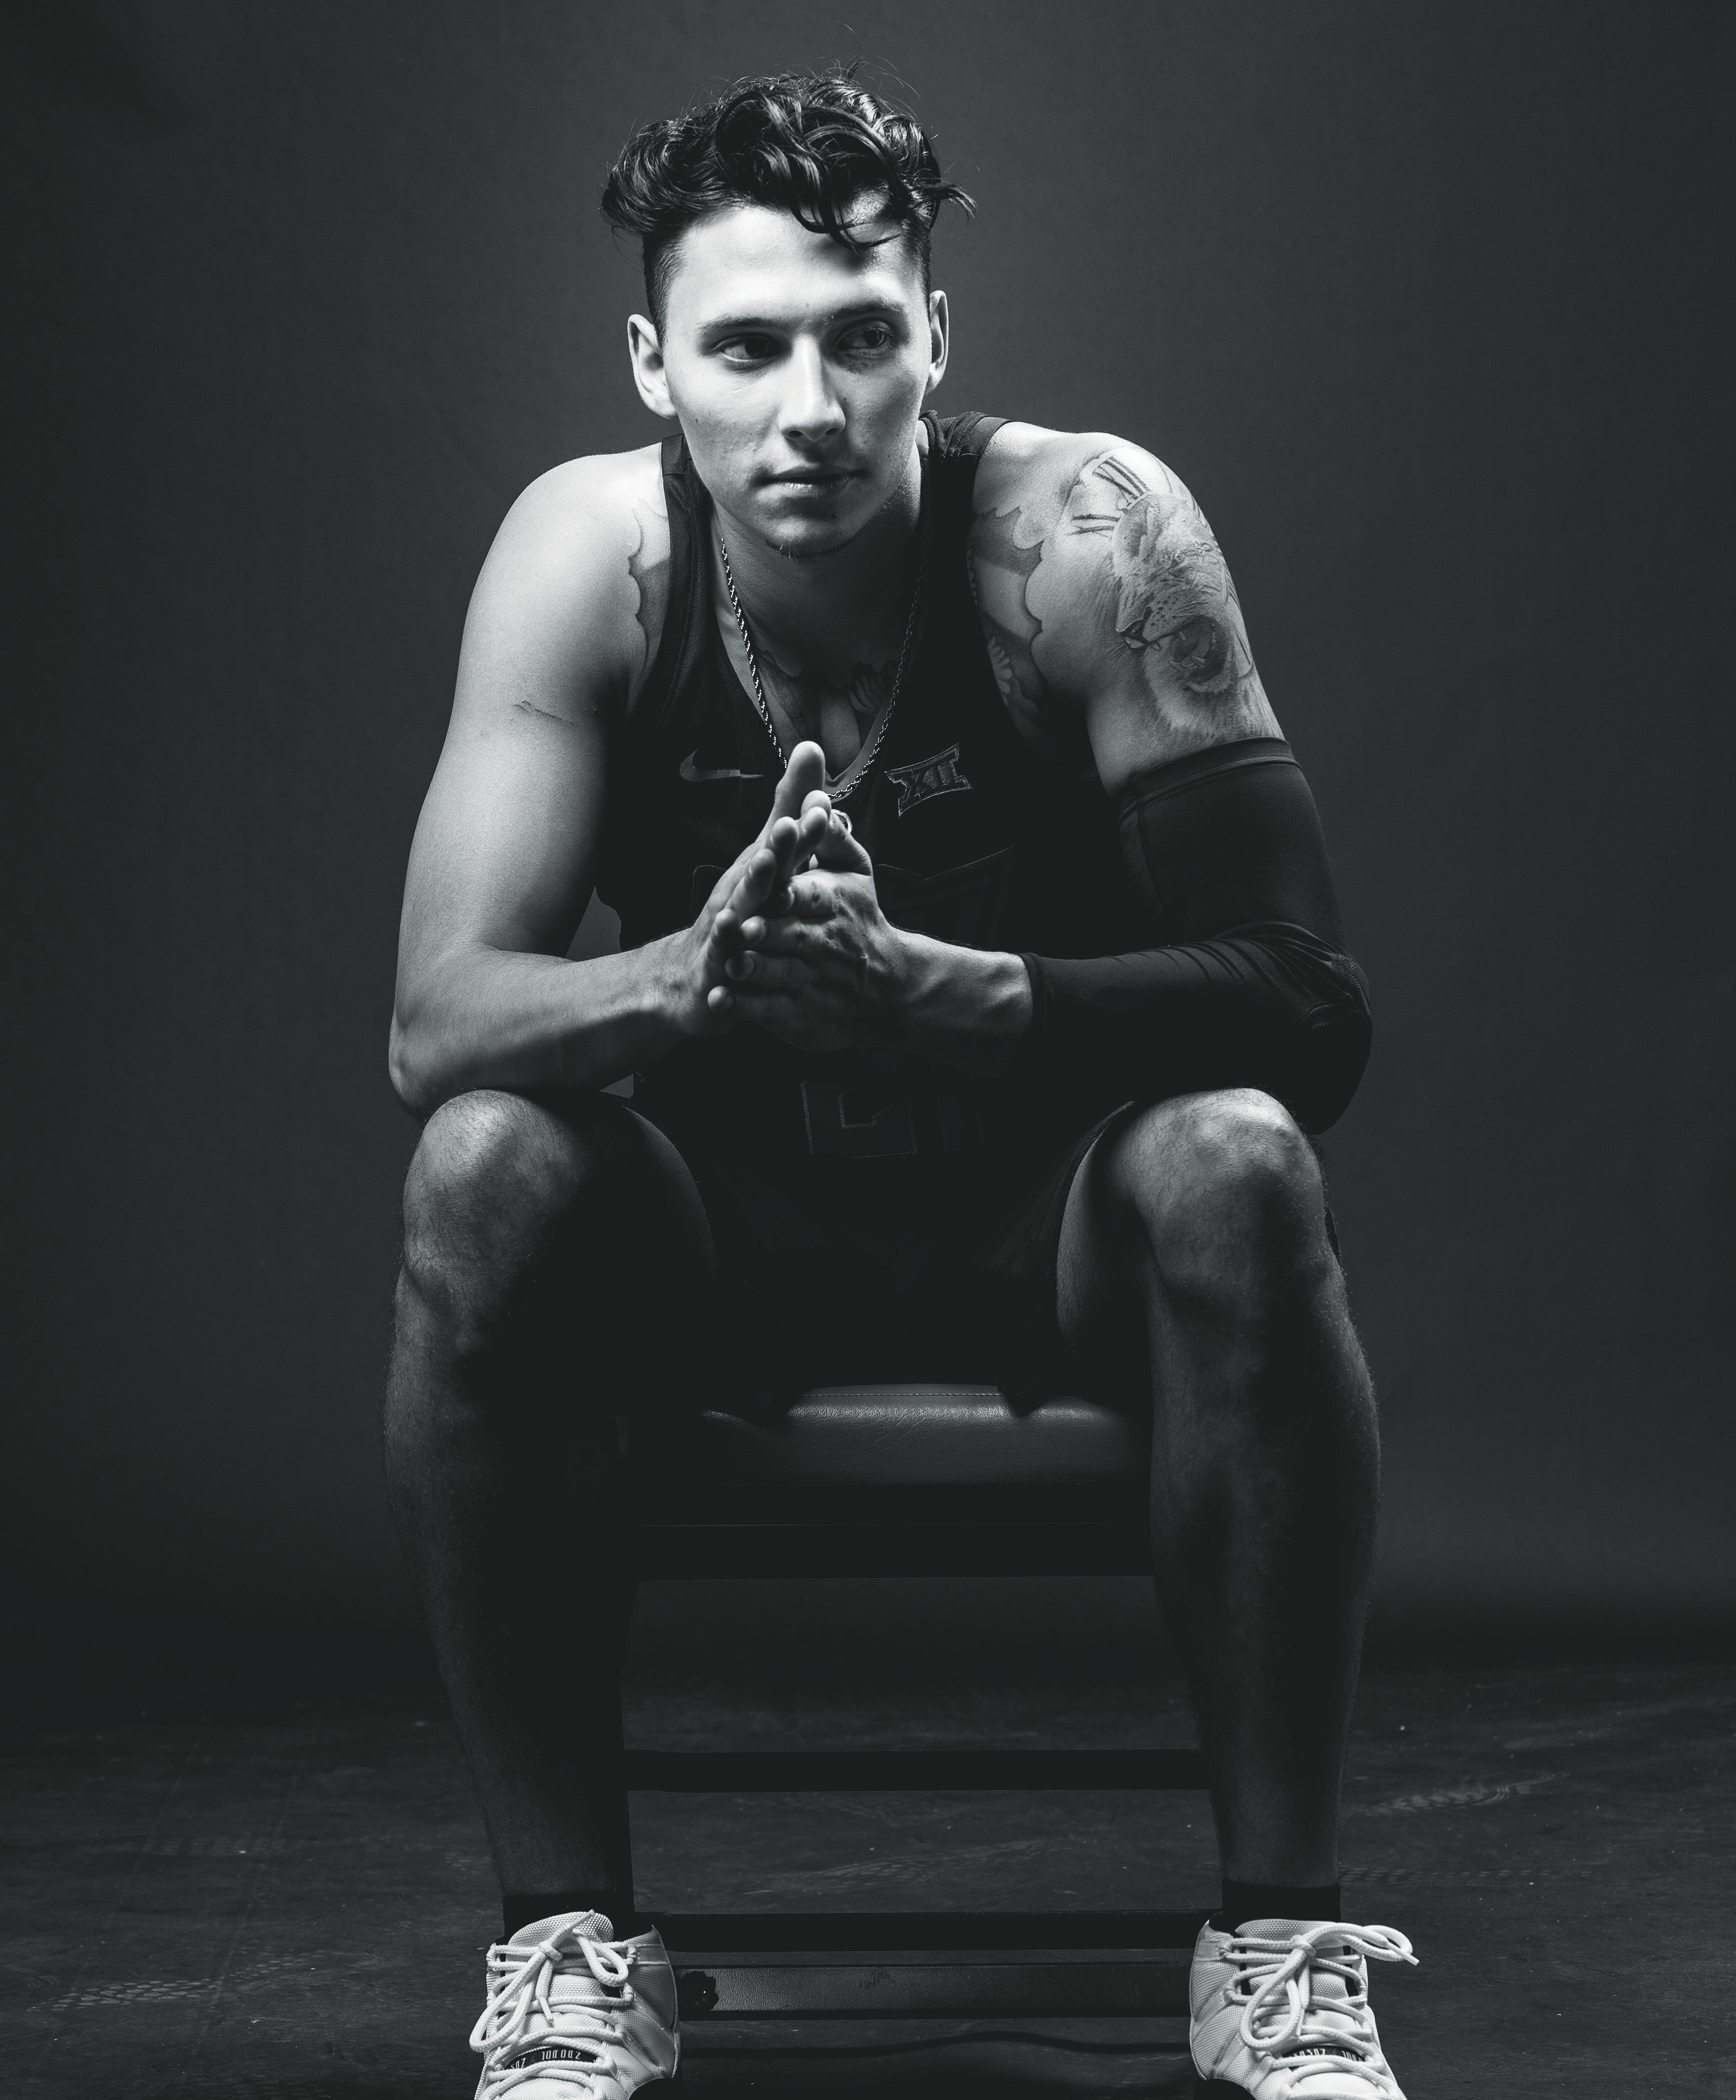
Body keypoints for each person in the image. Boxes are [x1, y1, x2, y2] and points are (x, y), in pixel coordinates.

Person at [385, 68, 1415, 2100]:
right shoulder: (591, 556)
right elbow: (436, 1025)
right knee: (482, 1165)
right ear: (653, 365)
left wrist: (964, 997)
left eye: (861, 337)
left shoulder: (1081, 535)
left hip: (1053, 1225)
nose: (811, 407)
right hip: (726, 1242)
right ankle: (568, 1944)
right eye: (745, 348)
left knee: (1239, 1154)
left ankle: (1281, 1941)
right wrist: (694, 972)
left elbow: (1311, 1007)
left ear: (933, 337)